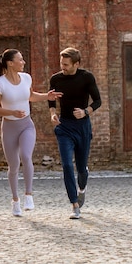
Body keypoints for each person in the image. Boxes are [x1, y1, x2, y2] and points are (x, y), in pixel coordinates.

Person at [0, 49, 62, 217]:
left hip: (26, 125)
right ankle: (15, 200)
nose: (23, 62)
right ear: (10, 63)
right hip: (9, 128)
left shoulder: (27, 78)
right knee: (13, 165)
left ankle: (28, 195)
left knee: (26, 156)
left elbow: (30, 96)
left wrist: (47, 96)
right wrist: (11, 112)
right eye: (20, 60)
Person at [48, 47, 101, 219]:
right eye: (61, 64)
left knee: (81, 169)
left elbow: (98, 101)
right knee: (67, 166)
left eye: (66, 65)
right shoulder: (55, 79)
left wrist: (86, 112)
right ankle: (74, 205)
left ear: (76, 64)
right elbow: (51, 100)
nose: (62, 67)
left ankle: (82, 188)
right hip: (64, 127)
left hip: (82, 126)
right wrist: (52, 114)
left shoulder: (86, 77)